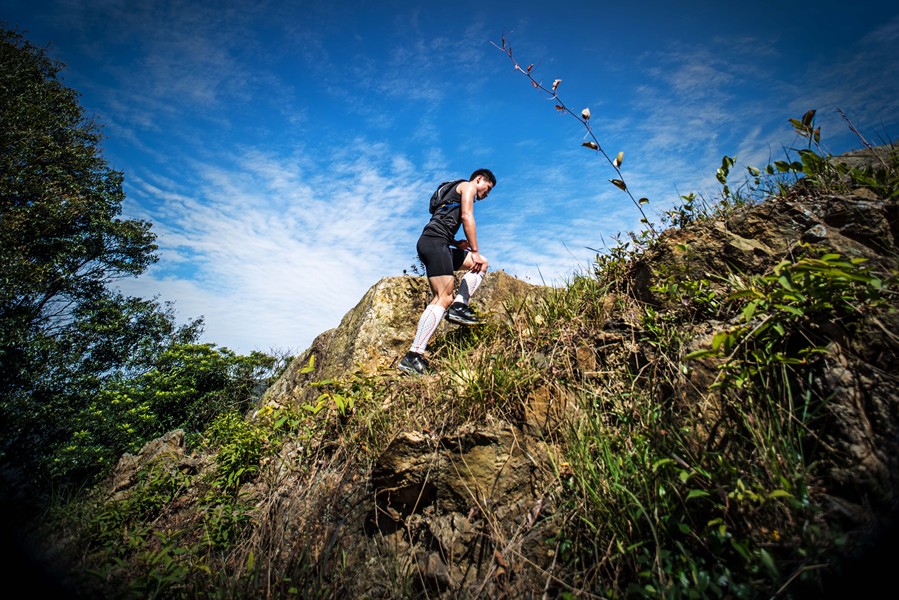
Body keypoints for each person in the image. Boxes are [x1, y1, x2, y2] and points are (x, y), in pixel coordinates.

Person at [398, 168, 497, 376]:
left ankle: (460, 306)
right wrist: (474, 250)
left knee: (482, 264)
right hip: (434, 243)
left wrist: (456, 242)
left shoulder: (450, 190)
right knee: (443, 298)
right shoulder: (468, 186)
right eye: (487, 189)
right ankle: (413, 355)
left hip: (437, 242)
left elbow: (440, 219)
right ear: (479, 179)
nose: (486, 195)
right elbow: (467, 216)